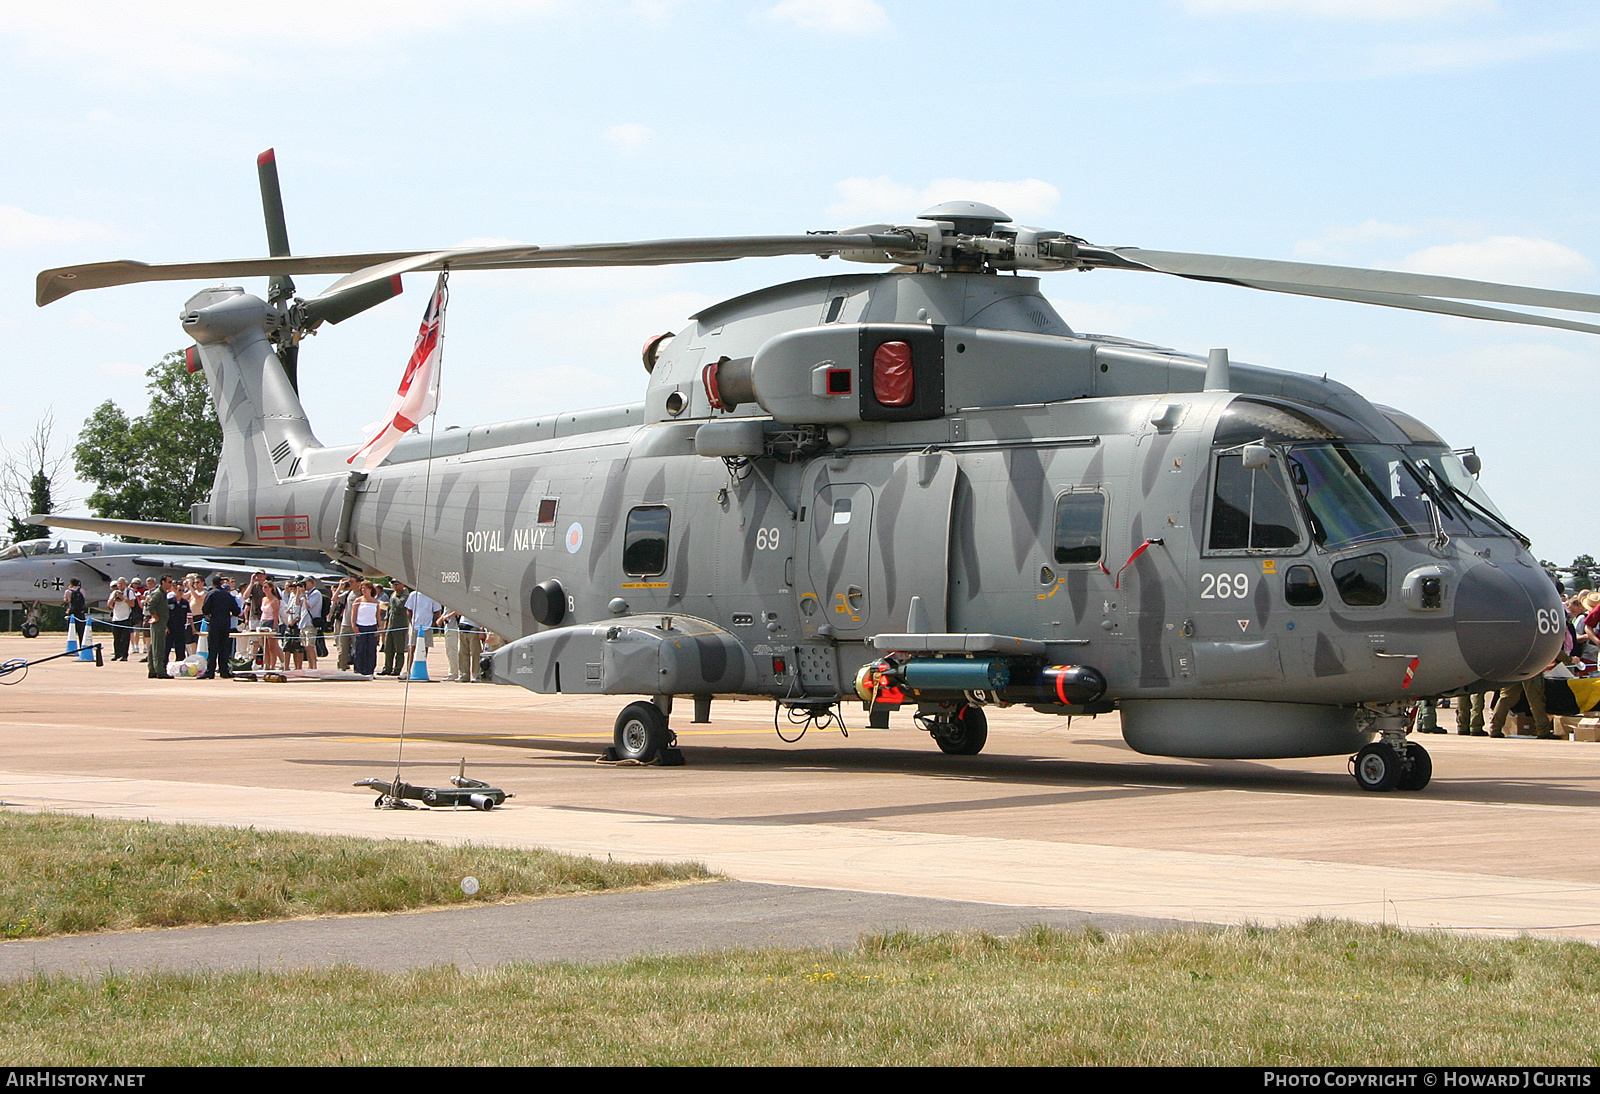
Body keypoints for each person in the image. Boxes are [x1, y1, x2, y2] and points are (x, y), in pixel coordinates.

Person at [199, 576, 236, 679]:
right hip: (225, 622)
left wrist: (210, 613)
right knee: (224, 647)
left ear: (213, 584)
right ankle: (224, 671)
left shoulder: (211, 594)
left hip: (214, 622)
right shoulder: (228, 595)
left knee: (213, 647)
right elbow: (236, 610)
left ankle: (210, 671)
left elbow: (205, 609)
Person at [404, 585, 441, 676]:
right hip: (415, 625)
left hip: (427, 626)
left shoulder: (432, 595)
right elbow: (409, 609)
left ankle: (421, 669)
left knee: (424, 648)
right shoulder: (413, 594)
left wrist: (432, 624)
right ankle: (408, 670)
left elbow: (437, 611)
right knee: (412, 648)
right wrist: (411, 622)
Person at [352, 581, 382, 676]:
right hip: (361, 626)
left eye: (365, 588)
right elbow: (354, 615)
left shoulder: (375, 602)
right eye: (362, 588)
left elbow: (378, 616)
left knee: (371, 650)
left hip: (372, 627)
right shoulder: (358, 601)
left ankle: (369, 670)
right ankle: (358, 670)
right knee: (360, 649)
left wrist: (379, 627)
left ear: (370, 589)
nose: (363, 590)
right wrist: (354, 626)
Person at [146, 576, 172, 679]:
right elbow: (150, 606)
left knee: (154, 647)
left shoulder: (163, 594)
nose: (170, 584)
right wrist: (155, 617)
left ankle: (152, 669)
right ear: (163, 582)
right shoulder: (158, 594)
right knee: (159, 647)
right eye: (169, 582)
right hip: (158, 624)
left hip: (161, 623)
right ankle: (160, 670)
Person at [380, 582, 409, 675]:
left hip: (400, 625)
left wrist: (394, 598)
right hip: (391, 625)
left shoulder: (405, 595)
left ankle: (397, 669)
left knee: (399, 649)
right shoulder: (393, 595)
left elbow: (400, 604)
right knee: (388, 649)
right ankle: (387, 668)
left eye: (397, 584)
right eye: (393, 584)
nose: (394, 586)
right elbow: (389, 610)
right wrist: (386, 623)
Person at [108, 578, 133, 661]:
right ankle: (117, 654)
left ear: (125, 584)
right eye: (118, 584)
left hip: (126, 617)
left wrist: (123, 598)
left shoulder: (129, 592)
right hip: (116, 618)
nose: (119, 585)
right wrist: (114, 598)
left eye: (121, 584)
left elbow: (132, 604)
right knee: (116, 638)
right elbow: (109, 604)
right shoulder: (114, 593)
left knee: (125, 638)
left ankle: (124, 655)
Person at [63, 579, 89, 650]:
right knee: (81, 631)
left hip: (72, 613)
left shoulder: (68, 591)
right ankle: (82, 646)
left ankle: (72, 648)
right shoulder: (81, 590)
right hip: (80, 613)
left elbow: (66, 600)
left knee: (72, 631)